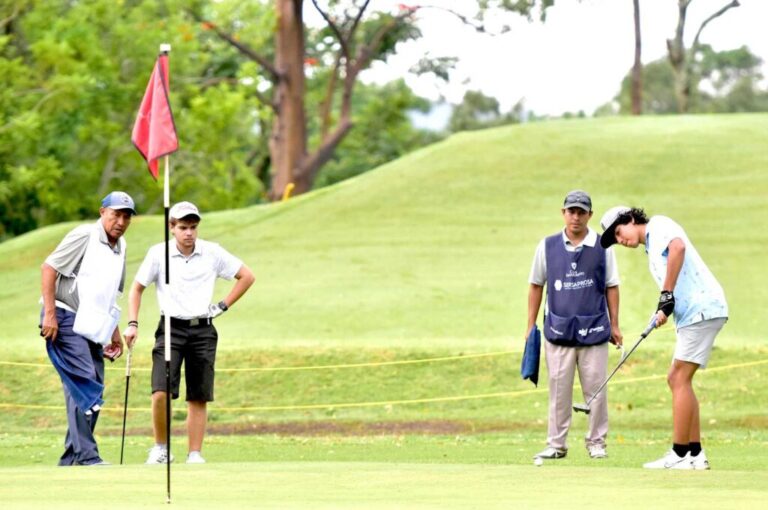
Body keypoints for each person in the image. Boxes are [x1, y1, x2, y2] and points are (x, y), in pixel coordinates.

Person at [124, 201, 254, 464]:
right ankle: (161, 448)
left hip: (202, 329)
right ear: (172, 227)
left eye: (193, 227)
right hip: (170, 329)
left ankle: (195, 453)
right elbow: (137, 288)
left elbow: (247, 276)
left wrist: (222, 306)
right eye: (183, 227)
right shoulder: (158, 253)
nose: (189, 233)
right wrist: (133, 323)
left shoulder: (212, 252)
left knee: (198, 394)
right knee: (160, 390)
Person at [600, 206, 727, 470]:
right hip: (696, 313)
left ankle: (679, 453)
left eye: (619, 233)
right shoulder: (651, 248)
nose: (621, 241)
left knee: (677, 378)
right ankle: (695, 455)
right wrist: (663, 310)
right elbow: (671, 287)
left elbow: (678, 248)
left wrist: (666, 294)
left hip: (702, 309)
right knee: (682, 380)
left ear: (631, 220)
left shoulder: (658, 225)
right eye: (616, 240)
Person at [40, 191, 136, 466]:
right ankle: (87, 456)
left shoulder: (122, 247)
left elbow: (108, 294)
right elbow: (48, 269)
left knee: (93, 385)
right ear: (102, 212)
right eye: (115, 214)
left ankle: (72, 457)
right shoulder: (85, 235)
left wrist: (114, 333)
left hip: (93, 323)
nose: (120, 221)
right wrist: (49, 314)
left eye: (126, 217)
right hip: (64, 316)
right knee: (83, 380)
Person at [527, 190, 623, 460]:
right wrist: (530, 325)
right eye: (571, 211)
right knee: (558, 389)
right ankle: (556, 444)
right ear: (563, 213)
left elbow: (611, 287)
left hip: (594, 330)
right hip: (558, 330)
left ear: (590, 215)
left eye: (582, 212)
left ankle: (597, 443)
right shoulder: (546, 246)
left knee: (596, 391)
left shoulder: (603, 247)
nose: (576, 217)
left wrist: (615, 325)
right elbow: (536, 285)